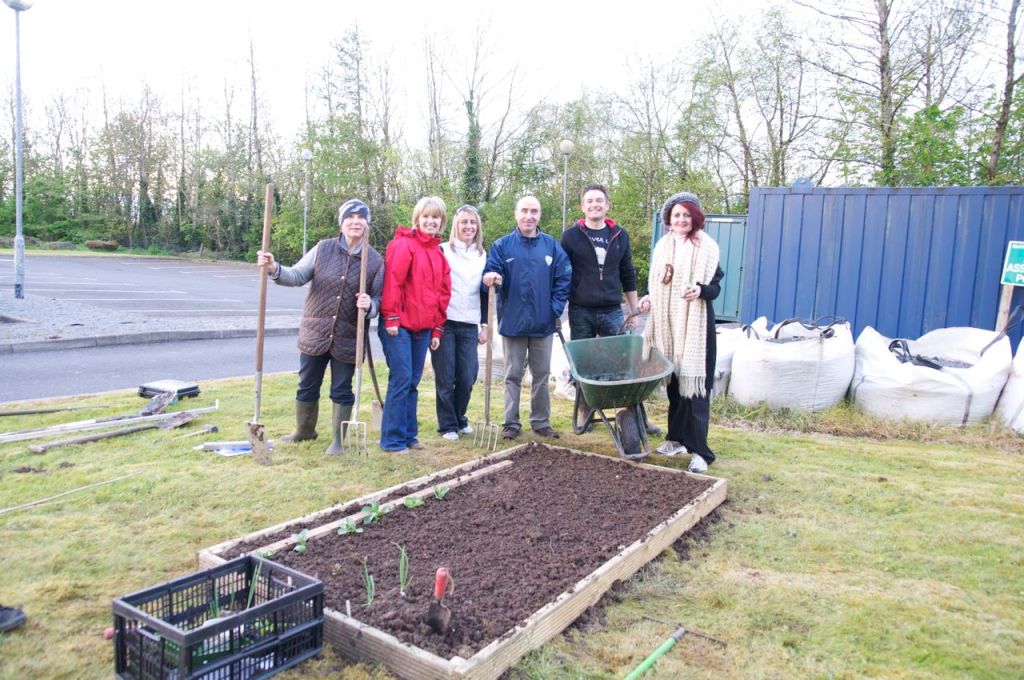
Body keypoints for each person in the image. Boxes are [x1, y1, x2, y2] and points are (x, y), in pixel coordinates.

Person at [257, 198, 383, 456]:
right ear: (342, 222)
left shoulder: (376, 260)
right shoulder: (323, 249)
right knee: (307, 384)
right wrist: (274, 268)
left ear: (367, 224)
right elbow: (297, 275)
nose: (356, 222)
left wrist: (370, 304)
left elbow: (381, 299)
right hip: (315, 332)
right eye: (350, 217)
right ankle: (304, 430)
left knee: (341, 388)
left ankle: (337, 441)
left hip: (350, 336)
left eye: (361, 218)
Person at [559, 183, 660, 435]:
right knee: (583, 365)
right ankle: (585, 412)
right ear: (583, 206)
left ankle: (636, 417)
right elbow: (562, 275)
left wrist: (634, 311)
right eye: (589, 201)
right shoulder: (570, 236)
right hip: (581, 310)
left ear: (607, 205)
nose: (595, 205)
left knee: (625, 365)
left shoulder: (619, 235)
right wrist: (557, 310)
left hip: (613, 311)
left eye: (599, 201)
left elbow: (627, 273)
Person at [639, 191, 724, 473]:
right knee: (674, 386)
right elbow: (658, 284)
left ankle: (701, 452)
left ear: (695, 217)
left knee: (695, 392)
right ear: (669, 219)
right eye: (676, 215)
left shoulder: (707, 248)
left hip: (696, 329)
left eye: (686, 214)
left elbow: (715, 288)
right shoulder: (662, 247)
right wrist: (649, 298)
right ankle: (676, 440)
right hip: (667, 327)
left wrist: (700, 290)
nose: (681, 219)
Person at [482, 195, 572, 440]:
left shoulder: (551, 246)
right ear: (516, 213)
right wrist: (492, 278)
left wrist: (554, 309)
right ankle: (511, 423)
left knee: (541, 375)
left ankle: (541, 421)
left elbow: (565, 276)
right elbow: (491, 274)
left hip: (543, 323)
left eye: (534, 211)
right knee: (512, 375)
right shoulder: (502, 246)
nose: (529, 216)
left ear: (539, 215)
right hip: (513, 322)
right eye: (524, 211)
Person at [378, 196, 452, 453]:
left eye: (436, 218)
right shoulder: (404, 245)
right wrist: (391, 317)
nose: (431, 221)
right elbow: (393, 283)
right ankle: (392, 440)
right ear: (417, 219)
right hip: (398, 325)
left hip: (423, 328)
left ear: (442, 222)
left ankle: (409, 435)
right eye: (426, 217)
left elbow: (443, 293)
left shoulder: (438, 253)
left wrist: (437, 328)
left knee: (413, 381)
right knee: (401, 378)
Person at [432, 204, 489, 440]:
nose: (468, 226)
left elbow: (486, 293)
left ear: (477, 227)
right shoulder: (442, 250)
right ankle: (447, 425)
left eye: (472, 222)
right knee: (446, 376)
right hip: (445, 321)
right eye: (464, 222)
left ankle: (459, 417)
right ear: (456, 225)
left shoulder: (482, 255)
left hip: (469, 323)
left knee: (467, 376)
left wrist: (485, 324)